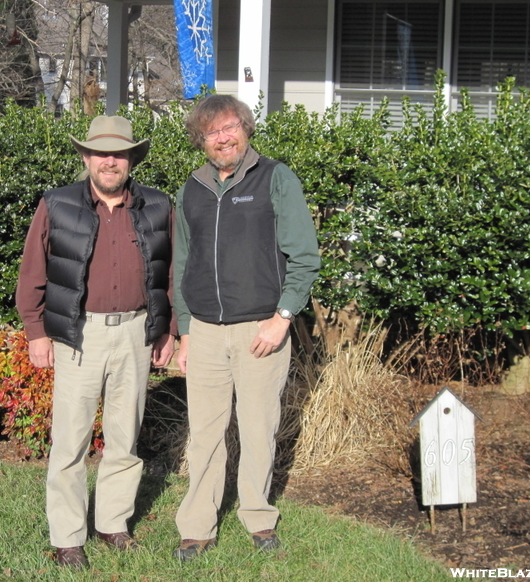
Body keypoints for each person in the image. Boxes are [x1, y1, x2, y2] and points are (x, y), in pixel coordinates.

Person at [16, 115, 176, 570]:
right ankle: (67, 536)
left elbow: (171, 273)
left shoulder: (158, 206)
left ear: (131, 159)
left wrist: (169, 330)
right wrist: (36, 333)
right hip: (77, 335)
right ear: (86, 157)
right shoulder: (57, 204)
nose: (110, 161)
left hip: (136, 333)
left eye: (119, 153)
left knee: (125, 438)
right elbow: (33, 273)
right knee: (71, 441)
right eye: (101, 152)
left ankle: (112, 523)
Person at [172, 95, 320, 561]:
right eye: (212, 132)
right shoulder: (191, 188)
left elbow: (305, 257)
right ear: (202, 140)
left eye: (231, 126)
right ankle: (197, 526)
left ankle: (258, 517)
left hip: (262, 329)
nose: (223, 137)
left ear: (246, 129)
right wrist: (185, 330)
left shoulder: (276, 178)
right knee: (206, 433)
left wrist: (283, 318)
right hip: (206, 332)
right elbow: (181, 263)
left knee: (258, 429)